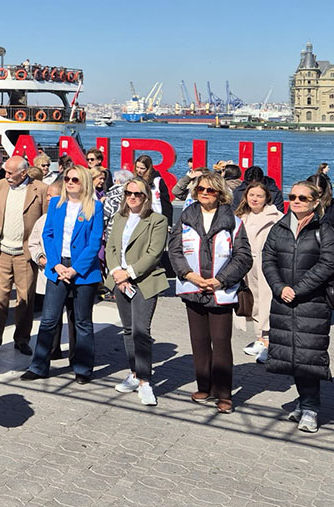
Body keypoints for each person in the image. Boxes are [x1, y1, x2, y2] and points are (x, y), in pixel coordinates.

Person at [261, 179, 334, 433]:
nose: (296, 201)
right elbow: (268, 259)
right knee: (291, 356)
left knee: (309, 357)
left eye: (302, 198)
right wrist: (279, 287)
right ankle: (303, 400)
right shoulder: (280, 228)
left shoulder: (323, 230)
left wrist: (299, 289)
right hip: (284, 300)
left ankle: (311, 408)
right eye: (293, 196)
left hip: (312, 302)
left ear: (315, 202)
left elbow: (329, 263)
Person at [168, 170, 252, 414]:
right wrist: (189, 275)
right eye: (201, 189)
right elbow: (175, 251)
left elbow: (243, 256)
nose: (204, 193)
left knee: (221, 342)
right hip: (191, 287)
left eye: (210, 190)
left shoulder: (233, 221)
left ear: (220, 193)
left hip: (221, 290)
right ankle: (204, 386)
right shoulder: (185, 217)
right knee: (199, 341)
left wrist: (220, 280)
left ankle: (224, 393)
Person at [22, 165, 104, 383]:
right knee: (48, 319)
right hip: (58, 268)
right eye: (67, 178)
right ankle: (39, 366)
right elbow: (47, 235)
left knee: (82, 322)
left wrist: (75, 269)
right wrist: (56, 264)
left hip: (83, 270)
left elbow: (95, 242)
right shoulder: (58, 206)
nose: (69, 182)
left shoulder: (94, 207)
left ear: (84, 182)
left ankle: (83, 368)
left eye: (75, 180)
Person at [104, 177, 169, 406]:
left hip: (144, 281)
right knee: (128, 329)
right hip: (120, 280)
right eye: (129, 193)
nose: (132, 197)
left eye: (137, 194)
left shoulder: (157, 220)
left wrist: (128, 273)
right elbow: (111, 246)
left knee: (141, 331)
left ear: (146, 196)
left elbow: (154, 253)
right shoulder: (119, 217)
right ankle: (134, 373)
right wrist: (116, 273)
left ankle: (144, 381)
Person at [0, 155, 48, 356]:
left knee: (25, 300)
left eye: (11, 173)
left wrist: (39, 250)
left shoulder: (40, 189)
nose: (7, 175)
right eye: (5, 171)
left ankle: (22, 339)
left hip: (25, 254)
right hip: (1, 252)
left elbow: (46, 220)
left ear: (24, 173)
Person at [237, 182, 284, 364]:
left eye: (259, 196)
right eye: (251, 195)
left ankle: (268, 341)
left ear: (267, 198)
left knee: (266, 301)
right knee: (252, 302)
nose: (254, 199)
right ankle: (260, 337)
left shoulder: (276, 217)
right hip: (246, 264)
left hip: (267, 264)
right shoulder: (241, 217)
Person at [134, 154, 173, 224]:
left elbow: (166, 204)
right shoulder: (134, 181)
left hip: (156, 218)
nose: (139, 170)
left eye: (142, 168)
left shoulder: (157, 181)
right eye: (137, 167)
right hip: (138, 218)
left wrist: (168, 223)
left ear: (148, 168)